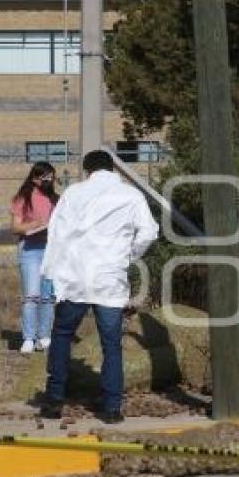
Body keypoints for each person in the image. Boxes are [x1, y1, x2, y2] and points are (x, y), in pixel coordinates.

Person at [40, 150, 159, 422]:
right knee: (111, 344)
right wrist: (129, 255)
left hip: (76, 277)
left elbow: (56, 233)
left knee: (62, 335)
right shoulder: (130, 195)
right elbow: (149, 232)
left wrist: (51, 271)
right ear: (112, 169)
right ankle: (112, 408)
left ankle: (54, 399)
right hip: (109, 278)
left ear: (87, 170)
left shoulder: (73, 194)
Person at [10, 162, 59, 354]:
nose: (49, 181)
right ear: (35, 178)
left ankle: (44, 336)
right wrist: (35, 224)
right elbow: (15, 227)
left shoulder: (56, 199)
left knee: (48, 297)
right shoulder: (23, 198)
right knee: (32, 295)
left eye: (51, 177)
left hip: (52, 250)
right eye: (45, 177)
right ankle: (28, 338)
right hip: (30, 249)